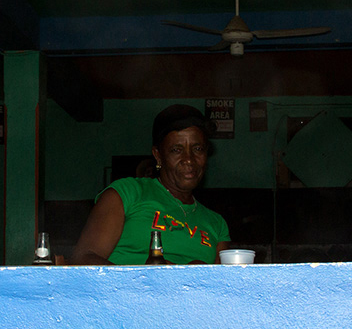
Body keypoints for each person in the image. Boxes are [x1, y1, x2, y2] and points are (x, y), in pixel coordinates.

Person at [70, 104, 231, 265]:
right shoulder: (127, 193)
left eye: (198, 148)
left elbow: (222, 284)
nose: (189, 159)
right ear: (158, 156)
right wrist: (147, 280)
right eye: (176, 150)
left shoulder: (216, 224)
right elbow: (84, 258)